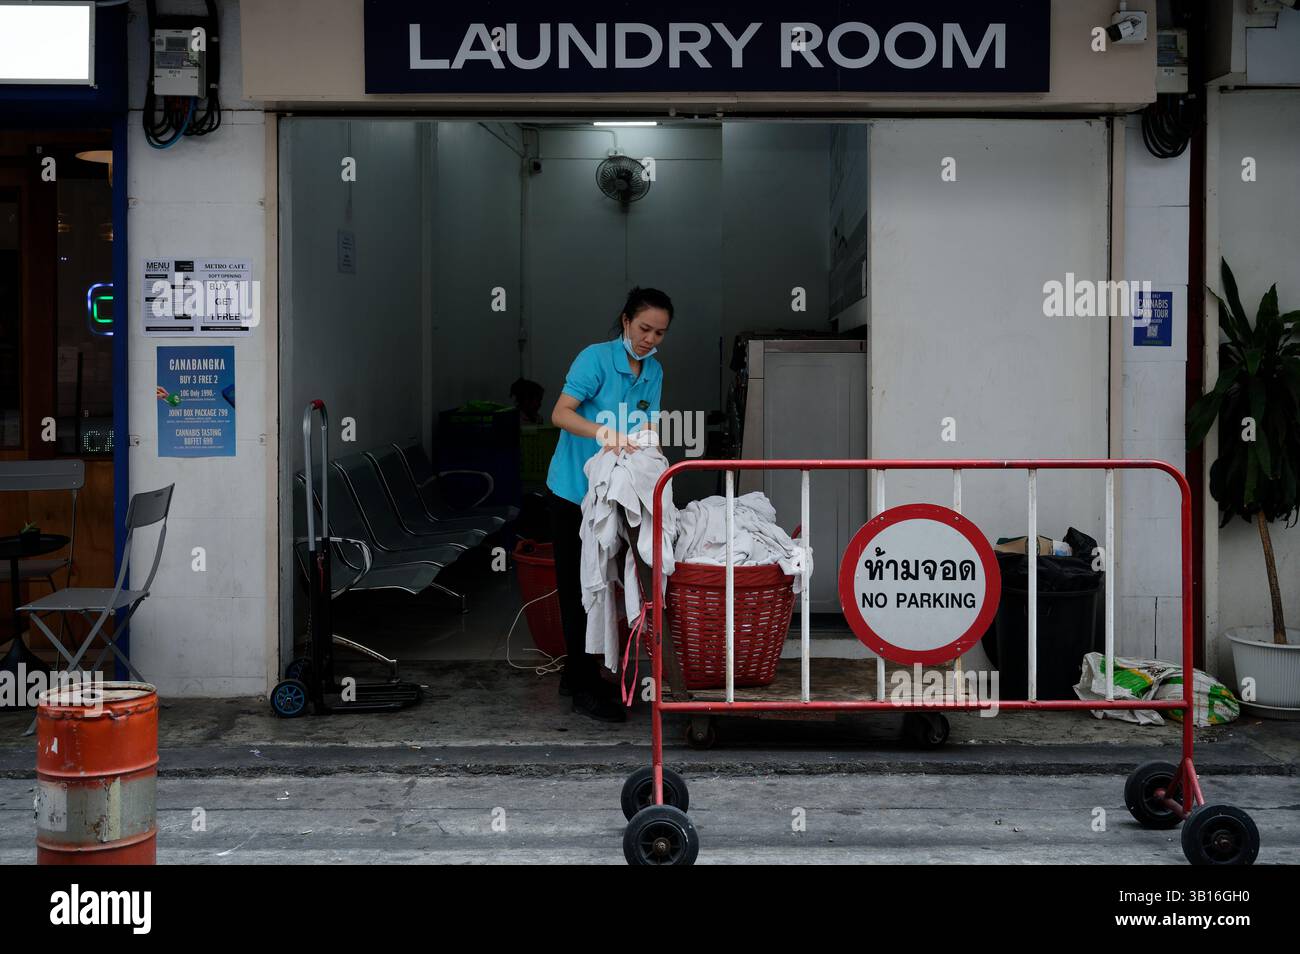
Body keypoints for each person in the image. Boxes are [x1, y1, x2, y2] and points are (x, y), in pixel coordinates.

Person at [545, 286, 674, 722]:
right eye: (644, 328)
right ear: (625, 321)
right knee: (580, 588)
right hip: (572, 493)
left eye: (659, 333)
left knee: (606, 584)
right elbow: (560, 413)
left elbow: (648, 427)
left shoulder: (653, 372)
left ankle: (576, 673)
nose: (650, 339)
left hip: (614, 495)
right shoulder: (595, 359)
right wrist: (604, 434)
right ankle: (583, 686)